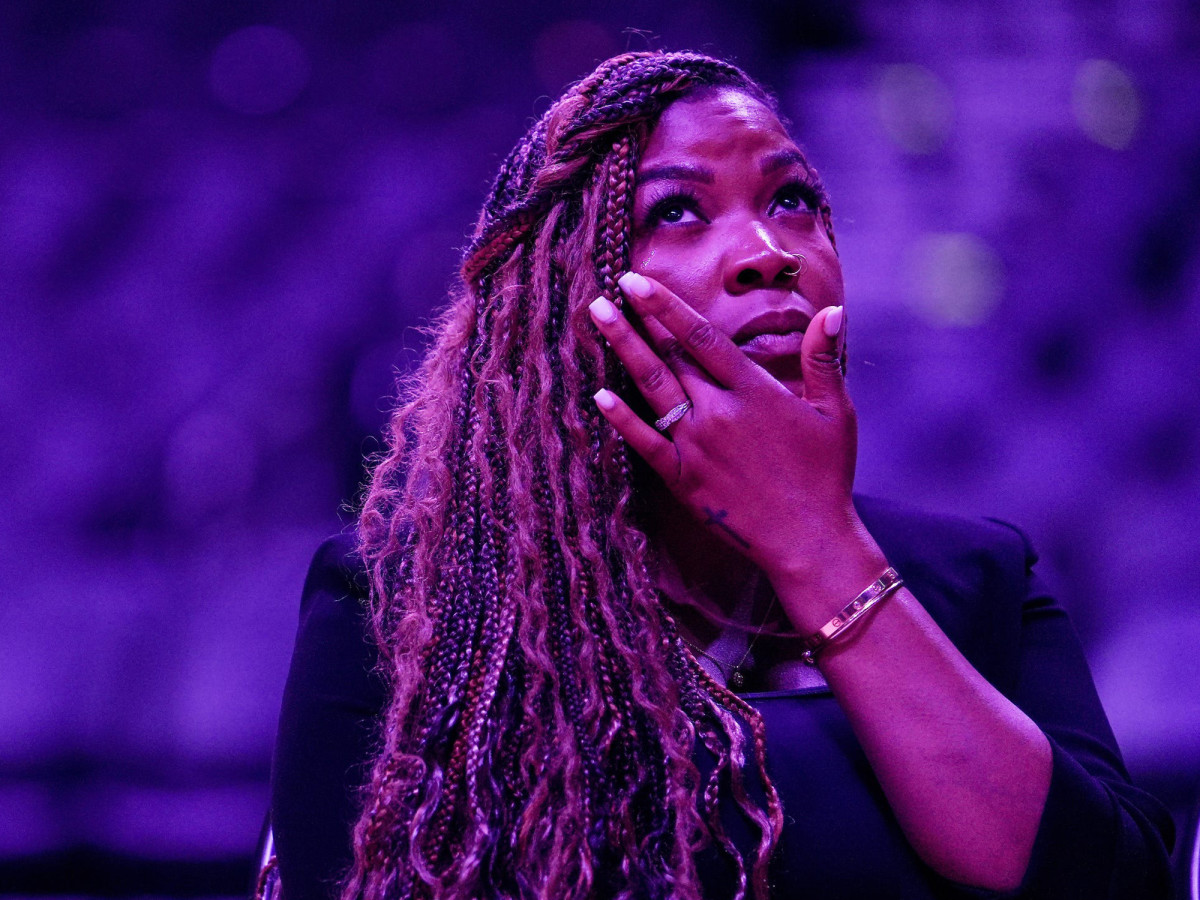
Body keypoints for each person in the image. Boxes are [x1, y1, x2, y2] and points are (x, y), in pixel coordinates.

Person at [270, 51, 1175, 900]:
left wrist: (817, 546)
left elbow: (1114, 884)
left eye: (792, 201)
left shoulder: (977, 581)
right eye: (677, 211)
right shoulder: (415, 605)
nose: (767, 252)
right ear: (562, 296)